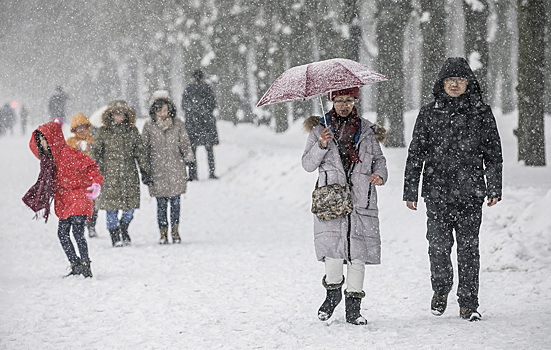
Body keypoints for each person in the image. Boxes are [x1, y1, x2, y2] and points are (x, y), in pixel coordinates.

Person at [403, 57, 503, 321]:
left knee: (469, 249)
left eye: (459, 79)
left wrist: (494, 186)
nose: (455, 84)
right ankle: (441, 289)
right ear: (442, 83)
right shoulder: (429, 113)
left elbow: (493, 153)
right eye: (450, 80)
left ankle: (469, 302)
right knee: (438, 246)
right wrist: (410, 191)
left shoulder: (481, 113)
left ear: (469, 83)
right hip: (437, 193)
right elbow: (416, 154)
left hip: (471, 193)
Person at [302, 87, 388, 325]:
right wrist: (321, 144)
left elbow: (379, 160)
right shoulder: (320, 128)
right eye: (339, 100)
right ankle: (332, 295)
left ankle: (354, 308)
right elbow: (307, 165)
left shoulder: (367, 130)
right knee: (333, 252)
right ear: (332, 101)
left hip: (362, 198)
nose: (344, 105)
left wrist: (379, 174)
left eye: (348, 100)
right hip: (332, 199)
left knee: (358, 254)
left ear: (355, 101)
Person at [23, 120, 103, 277]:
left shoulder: (69, 154)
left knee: (78, 233)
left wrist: (96, 184)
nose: (43, 144)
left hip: (80, 196)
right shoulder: (50, 161)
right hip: (65, 200)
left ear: (53, 139)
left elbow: (91, 167)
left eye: (45, 140)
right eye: (40, 141)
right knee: (62, 234)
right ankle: (75, 264)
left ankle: (86, 266)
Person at [90, 102, 150, 247]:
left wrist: (145, 170)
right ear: (110, 115)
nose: (119, 117)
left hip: (129, 173)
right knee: (111, 208)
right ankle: (115, 235)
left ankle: (124, 228)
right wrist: (92, 171)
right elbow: (95, 152)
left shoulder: (132, 131)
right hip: (109, 174)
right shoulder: (103, 132)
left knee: (130, 208)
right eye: (116, 114)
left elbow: (140, 152)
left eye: (122, 114)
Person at [142, 91, 195, 244]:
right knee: (161, 204)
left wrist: (190, 161)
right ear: (154, 111)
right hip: (157, 171)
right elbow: (144, 149)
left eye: (165, 110)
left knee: (176, 202)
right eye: (159, 110)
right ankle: (163, 232)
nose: (163, 114)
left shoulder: (178, 124)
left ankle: (175, 230)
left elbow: (184, 144)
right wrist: (145, 170)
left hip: (175, 169)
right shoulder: (149, 126)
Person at [181, 69, 218, 180]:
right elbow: (213, 104)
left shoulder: (188, 89)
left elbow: (184, 105)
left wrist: (192, 113)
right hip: (207, 123)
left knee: (192, 149)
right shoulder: (207, 88)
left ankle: (193, 174)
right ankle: (211, 172)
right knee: (209, 149)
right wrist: (205, 112)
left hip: (193, 123)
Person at [66, 113, 98, 238]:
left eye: (83, 127)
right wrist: (76, 147)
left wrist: (91, 147)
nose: (81, 130)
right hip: (77, 179)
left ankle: (91, 225)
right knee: (79, 203)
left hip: (91, 177)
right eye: (78, 128)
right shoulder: (71, 141)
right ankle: (81, 224)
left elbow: (98, 154)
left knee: (93, 204)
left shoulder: (93, 140)